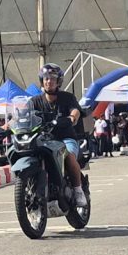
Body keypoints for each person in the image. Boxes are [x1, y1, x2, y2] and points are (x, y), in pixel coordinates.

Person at [26, 63, 87, 192]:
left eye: (53, 78)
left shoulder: (67, 98)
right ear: (42, 81)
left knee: (68, 156)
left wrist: (72, 118)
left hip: (65, 139)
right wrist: (8, 125)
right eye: (46, 78)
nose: (49, 81)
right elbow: (23, 114)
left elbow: (75, 110)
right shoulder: (34, 101)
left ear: (58, 81)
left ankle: (78, 190)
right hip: (43, 140)